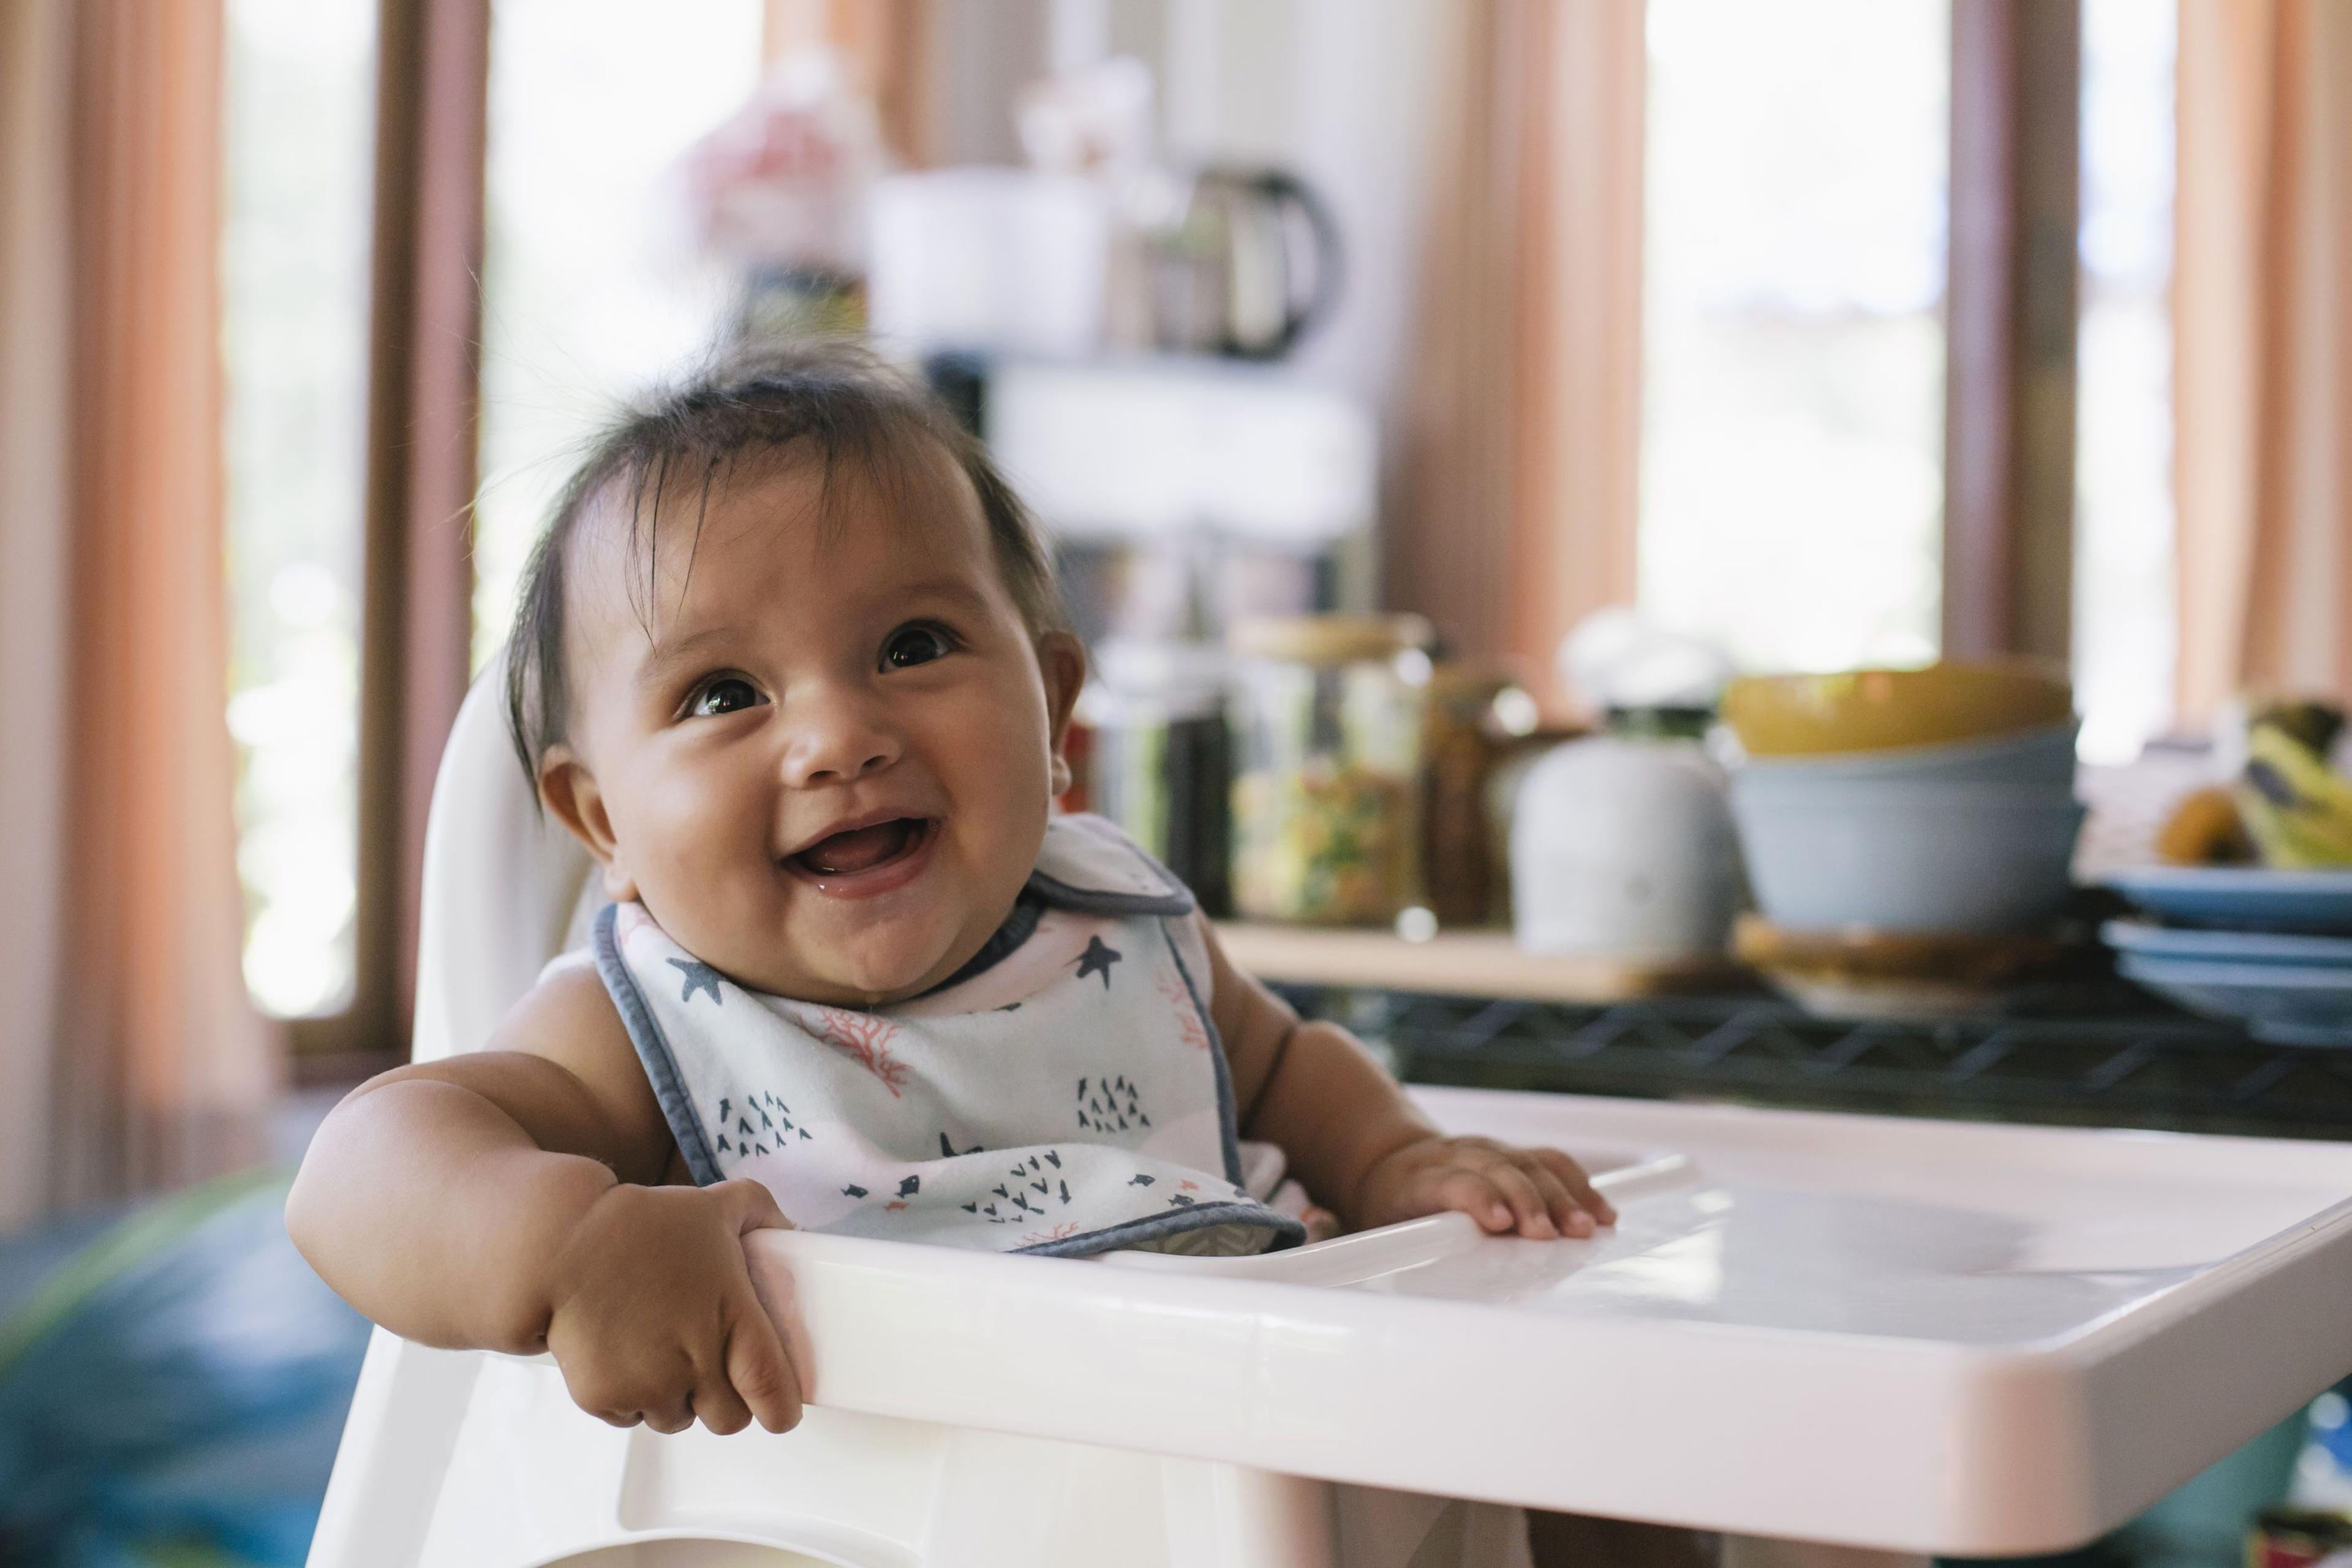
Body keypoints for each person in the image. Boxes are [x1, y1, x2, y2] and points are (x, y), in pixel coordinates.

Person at [287, 343, 1641, 1561]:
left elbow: (1287, 1066)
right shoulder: (654, 1027)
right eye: (724, 695)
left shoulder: (1119, 933)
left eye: (913, 645)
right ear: (602, 820)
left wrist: (1398, 1159)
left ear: (1053, 706)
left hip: (1241, 1484)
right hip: (856, 1524)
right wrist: (574, 1241)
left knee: (1599, 1465)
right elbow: (357, 1174)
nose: (838, 735)